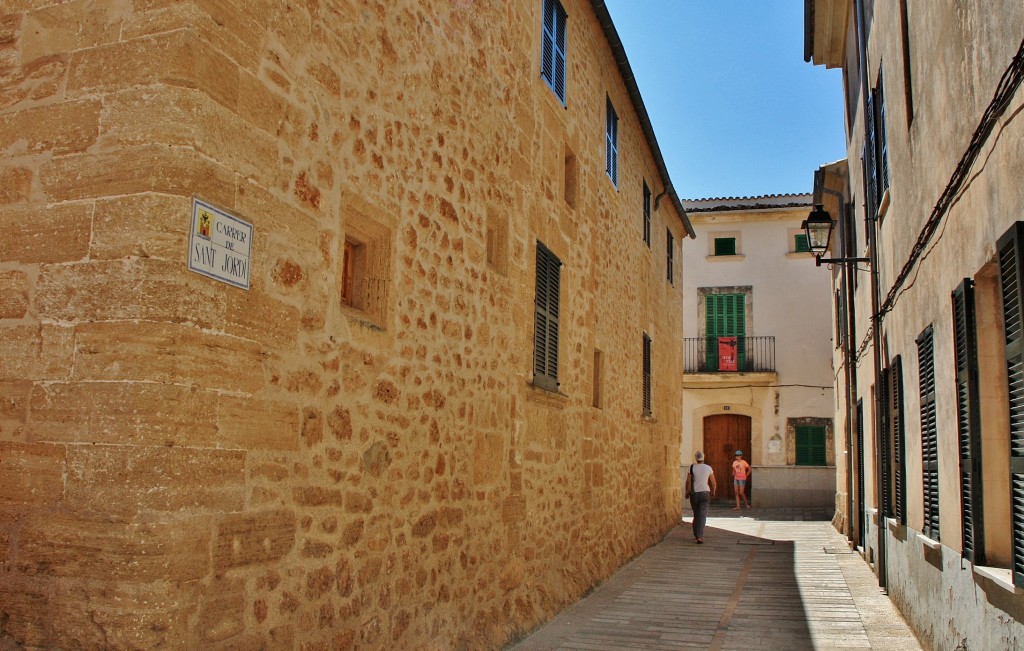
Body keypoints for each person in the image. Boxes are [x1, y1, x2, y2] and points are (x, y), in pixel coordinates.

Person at [684, 451, 716, 544]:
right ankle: (699, 536)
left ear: (696, 458)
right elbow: (713, 483)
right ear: (703, 457)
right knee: (702, 515)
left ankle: (696, 534)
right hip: (705, 493)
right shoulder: (708, 468)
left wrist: (687, 492)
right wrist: (713, 491)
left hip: (694, 494)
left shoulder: (692, 467)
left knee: (696, 514)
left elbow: (688, 481)